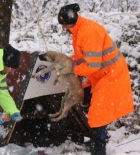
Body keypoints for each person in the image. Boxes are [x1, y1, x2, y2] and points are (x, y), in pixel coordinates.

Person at [57, 3, 134, 155]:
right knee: (87, 101)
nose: (64, 29)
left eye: (65, 25)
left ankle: (99, 148)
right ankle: (96, 140)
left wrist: (73, 69)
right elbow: (84, 56)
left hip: (111, 76)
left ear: (72, 21)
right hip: (100, 76)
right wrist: (71, 61)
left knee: (99, 113)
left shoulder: (88, 31)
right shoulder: (78, 29)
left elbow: (92, 65)